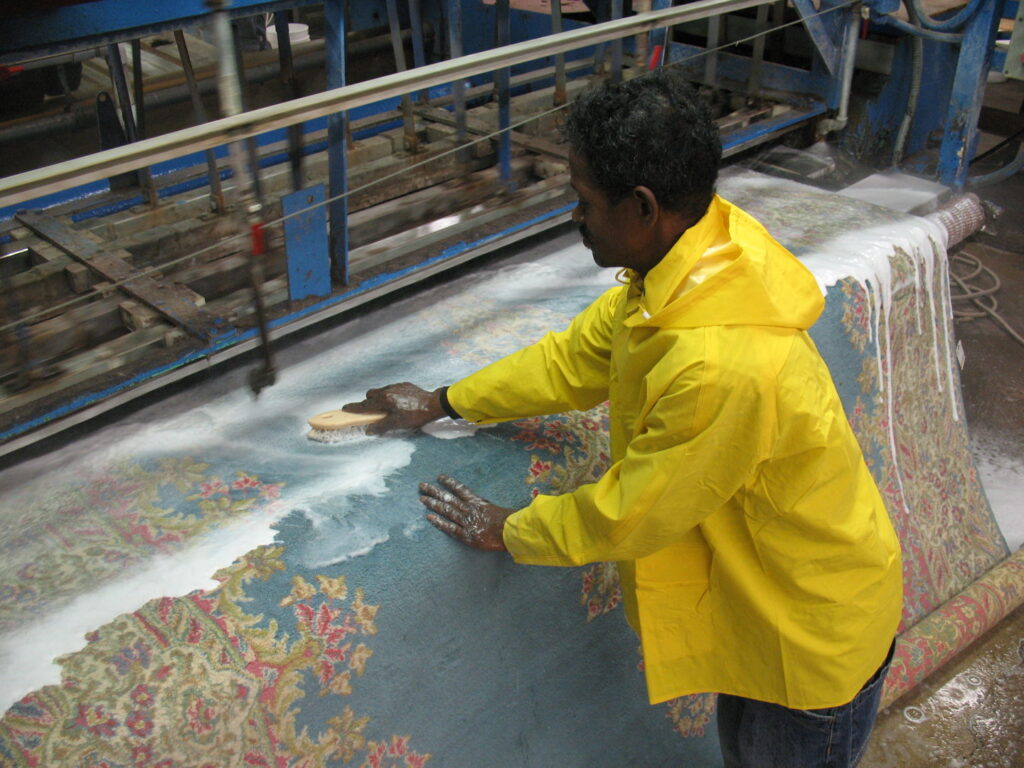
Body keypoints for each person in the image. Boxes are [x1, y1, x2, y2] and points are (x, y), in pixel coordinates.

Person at [343, 69, 902, 768]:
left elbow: (632, 512)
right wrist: (446, 400)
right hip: (767, 607)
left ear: (642, 206)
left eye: (583, 202)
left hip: (810, 633)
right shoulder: (690, 261)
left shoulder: (719, 365)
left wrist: (511, 530)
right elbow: (575, 359)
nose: (575, 219)